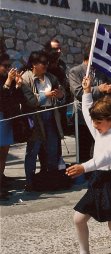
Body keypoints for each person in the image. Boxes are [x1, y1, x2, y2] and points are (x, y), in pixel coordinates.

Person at [65, 76, 111, 254]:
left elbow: (104, 159)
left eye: (99, 122)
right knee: (78, 218)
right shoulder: (102, 130)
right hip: (98, 180)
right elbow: (87, 114)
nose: (94, 125)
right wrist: (87, 92)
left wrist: (83, 167)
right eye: (95, 122)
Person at [21, 50, 65, 191]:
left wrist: (59, 95)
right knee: (33, 150)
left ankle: (51, 180)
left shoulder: (51, 78)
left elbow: (63, 96)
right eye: (43, 63)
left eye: (47, 63)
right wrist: (46, 95)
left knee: (53, 149)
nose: (46, 65)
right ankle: (30, 181)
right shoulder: (26, 78)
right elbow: (30, 101)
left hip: (51, 115)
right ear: (34, 64)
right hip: (36, 117)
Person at [0, 52, 24, 200]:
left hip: (7, 118)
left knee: (3, 154)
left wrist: (18, 85)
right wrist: (8, 82)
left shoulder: (6, 79)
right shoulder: (4, 80)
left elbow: (14, 99)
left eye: (9, 66)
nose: (8, 69)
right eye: (5, 66)